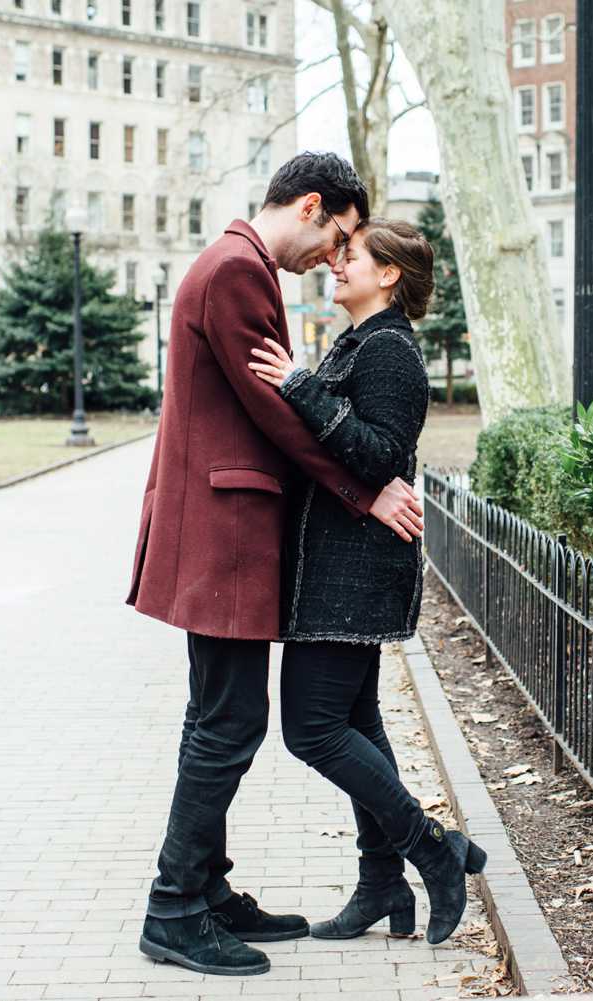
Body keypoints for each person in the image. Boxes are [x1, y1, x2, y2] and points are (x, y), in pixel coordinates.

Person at [126, 153, 425, 978]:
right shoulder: (236, 271)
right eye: (337, 237)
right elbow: (278, 411)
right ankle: (175, 909)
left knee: (218, 718)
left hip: (223, 528)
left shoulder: (237, 267)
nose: (332, 257)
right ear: (312, 205)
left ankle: (206, 889)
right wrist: (362, 493)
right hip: (222, 530)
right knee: (227, 724)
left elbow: (286, 404)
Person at [247, 217, 487, 948]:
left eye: (350, 254)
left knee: (313, 727)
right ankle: (382, 882)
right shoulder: (359, 342)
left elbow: (381, 454)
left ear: (388, 275)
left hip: (354, 570)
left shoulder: (390, 352)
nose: (335, 261)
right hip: (335, 564)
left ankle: (432, 849)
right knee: (356, 725)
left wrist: (297, 385)